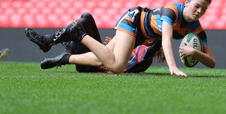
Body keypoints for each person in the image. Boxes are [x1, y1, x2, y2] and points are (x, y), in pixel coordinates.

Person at [26, 0, 215, 77]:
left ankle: (63, 59)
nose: (200, 12)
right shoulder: (172, 11)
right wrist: (173, 67)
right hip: (134, 20)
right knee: (117, 66)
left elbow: (212, 62)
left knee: (103, 60)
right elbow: (166, 38)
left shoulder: (196, 29)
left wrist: (194, 52)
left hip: (141, 35)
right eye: (197, 6)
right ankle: (78, 33)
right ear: (187, 2)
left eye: (204, 9)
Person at [27, 12, 163, 73]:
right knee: (86, 17)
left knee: (82, 23)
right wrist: (106, 48)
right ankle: (64, 43)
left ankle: (51, 42)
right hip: (95, 58)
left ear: (150, 40)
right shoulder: (133, 43)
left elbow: (115, 63)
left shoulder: (145, 54)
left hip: (91, 67)